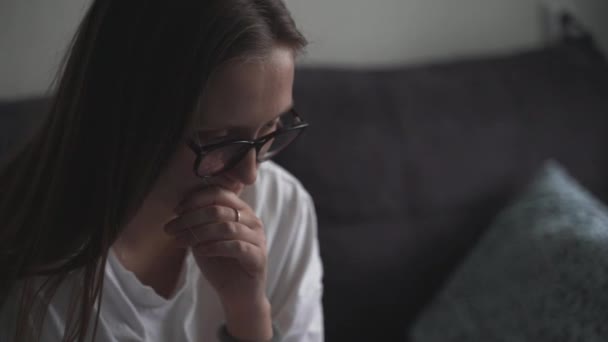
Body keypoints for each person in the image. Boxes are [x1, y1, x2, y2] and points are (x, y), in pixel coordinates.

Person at [0, 0, 324, 341]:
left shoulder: (283, 207)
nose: (249, 175)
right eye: (219, 139)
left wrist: (249, 312)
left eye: (271, 127)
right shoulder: (35, 279)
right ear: (129, 116)